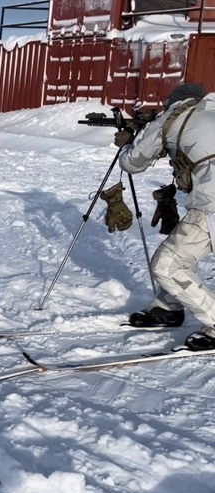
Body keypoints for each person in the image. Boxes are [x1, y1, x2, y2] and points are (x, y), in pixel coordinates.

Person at [115, 83, 215, 351]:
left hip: (212, 202)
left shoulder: (171, 117)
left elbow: (132, 163)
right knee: (183, 254)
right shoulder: (210, 112)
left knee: (167, 265)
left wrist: (127, 142)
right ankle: (167, 307)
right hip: (209, 200)